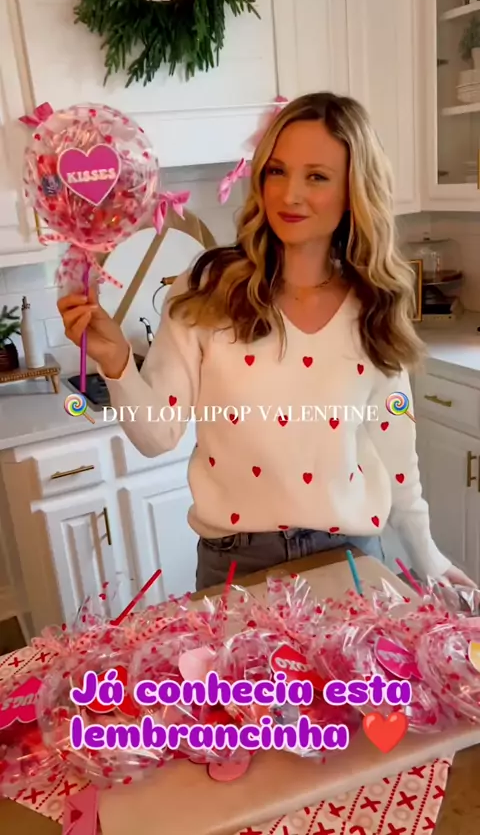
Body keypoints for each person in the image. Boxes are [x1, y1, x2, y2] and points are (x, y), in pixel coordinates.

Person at [58, 91, 474, 592]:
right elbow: (156, 436)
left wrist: (429, 559)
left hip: (351, 558)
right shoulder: (207, 288)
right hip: (236, 563)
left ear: (353, 190)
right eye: (277, 171)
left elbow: (396, 454)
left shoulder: (373, 306)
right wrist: (117, 361)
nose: (289, 195)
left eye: (316, 176)